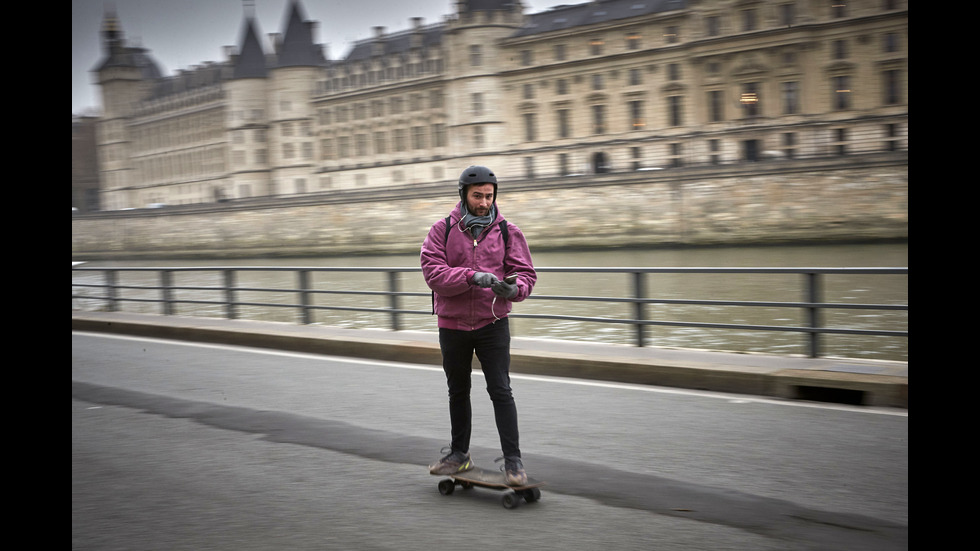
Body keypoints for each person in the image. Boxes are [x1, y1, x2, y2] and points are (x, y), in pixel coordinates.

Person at [420, 165, 537, 486]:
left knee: (501, 390)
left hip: (493, 322)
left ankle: (514, 462)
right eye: (477, 196)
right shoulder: (441, 230)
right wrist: (471, 276)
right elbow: (434, 275)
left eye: (489, 196)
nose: (484, 202)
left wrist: (515, 289)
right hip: (453, 324)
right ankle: (459, 455)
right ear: (463, 195)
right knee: (458, 391)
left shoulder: (507, 232)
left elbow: (526, 273)